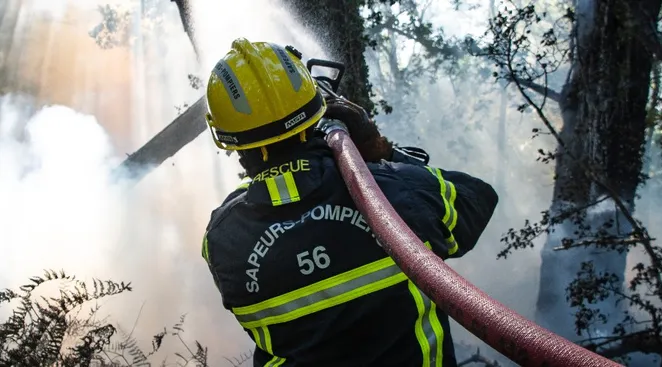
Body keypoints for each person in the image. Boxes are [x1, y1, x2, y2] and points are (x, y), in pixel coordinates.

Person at [199, 38, 500, 367]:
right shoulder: (392, 190)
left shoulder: (222, 241)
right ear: (317, 109)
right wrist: (380, 150)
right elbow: (477, 199)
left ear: (227, 139)